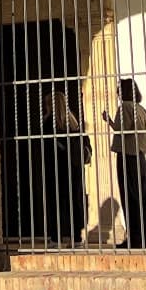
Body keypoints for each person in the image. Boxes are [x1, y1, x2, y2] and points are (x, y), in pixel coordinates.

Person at [104, 78, 146, 249]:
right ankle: (144, 238)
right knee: (142, 198)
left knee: (130, 198)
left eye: (119, 89)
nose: (117, 93)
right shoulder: (141, 109)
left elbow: (122, 129)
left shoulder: (125, 107)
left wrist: (110, 121)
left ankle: (134, 239)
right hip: (140, 156)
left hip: (128, 155)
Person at [44, 87, 90, 245]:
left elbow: (48, 146)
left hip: (57, 167)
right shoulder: (73, 122)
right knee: (74, 200)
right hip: (74, 166)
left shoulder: (49, 123)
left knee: (56, 202)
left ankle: (56, 238)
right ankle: (76, 237)